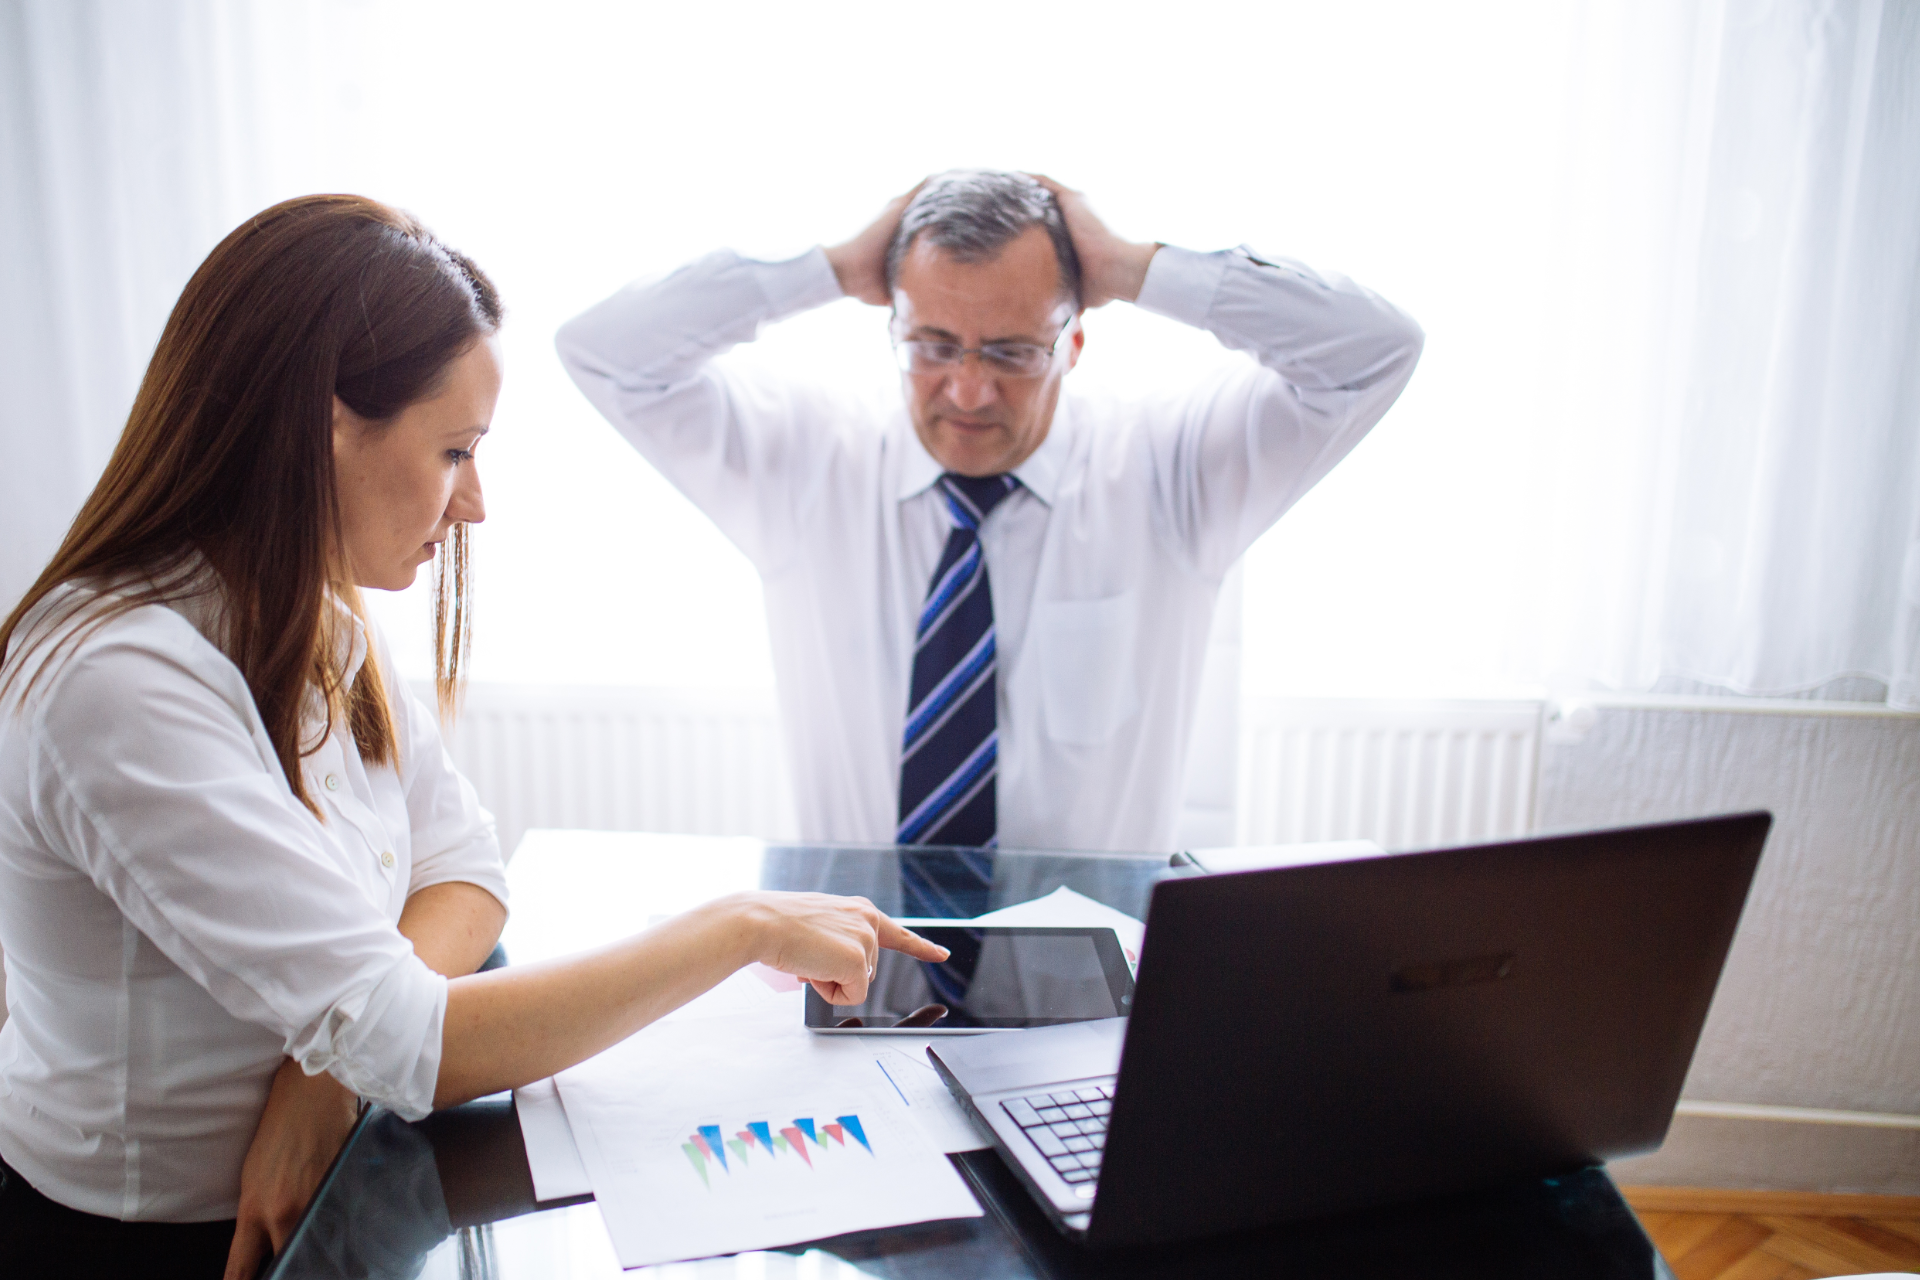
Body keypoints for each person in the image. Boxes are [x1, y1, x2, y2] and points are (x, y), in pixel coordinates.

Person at [0, 195, 945, 1280]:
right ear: (324, 424)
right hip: (160, 1242)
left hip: (334, 1174)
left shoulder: (312, 612)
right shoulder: (119, 682)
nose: (475, 504)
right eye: (455, 450)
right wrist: (737, 925)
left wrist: (326, 1070)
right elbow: (415, 1036)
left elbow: (465, 873)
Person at [557, 170, 1424, 860]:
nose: (967, 390)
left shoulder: (1172, 466)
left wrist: (1132, 267)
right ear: (890, 329)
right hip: (859, 986)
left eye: (1011, 352)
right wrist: (827, 268)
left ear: (1074, 343)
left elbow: (1373, 350)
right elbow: (605, 352)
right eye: (933, 346)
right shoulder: (804, 463)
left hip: (1086, 1000)